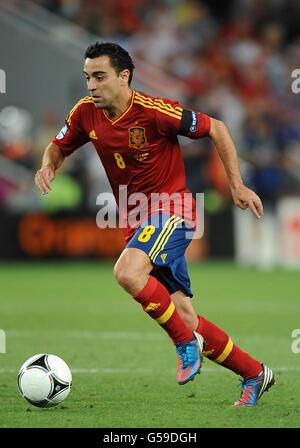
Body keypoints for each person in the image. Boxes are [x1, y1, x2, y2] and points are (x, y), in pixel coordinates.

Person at [35, 42, 275, 407]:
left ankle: (183, 345)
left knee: (128, 273)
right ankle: (254, 373)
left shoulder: (154, 111)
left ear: (124, 76)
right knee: (184, 316)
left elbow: (218, 128)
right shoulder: (86, 113)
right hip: (136, 220)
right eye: (88, 77)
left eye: (99, 77)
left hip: (173, 209)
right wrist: (49, 165)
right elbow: (59, 145)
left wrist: (236, 185)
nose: (91, 86)